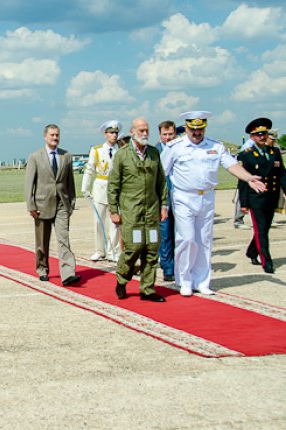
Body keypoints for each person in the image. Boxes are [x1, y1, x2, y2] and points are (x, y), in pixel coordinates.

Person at [161, 111, 266, 297]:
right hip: (184, 197)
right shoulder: (175, 147)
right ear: (186, 128)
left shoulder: (215, 146)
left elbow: (231, 165)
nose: (196, 133)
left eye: (200, 129)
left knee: (204, 240)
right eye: (193, 129)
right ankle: (184, 280)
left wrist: (249, 178)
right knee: (186, 238)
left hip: (207, 197)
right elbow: (162, 174)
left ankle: (202, 281)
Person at [108, 118, 168, 302]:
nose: (144, 134)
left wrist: (164, 205)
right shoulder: (122, 155)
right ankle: (122, 279)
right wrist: (114, 210)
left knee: (151, 250)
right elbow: (113, 185)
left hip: (151, 211)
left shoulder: (153, 153)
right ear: (132, 132)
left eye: (146, 130)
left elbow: (161, 182)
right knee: (133, 249)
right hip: (131, 212)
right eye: (141, 130)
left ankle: (147, 290)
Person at [25, 124, 81, 286]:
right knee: (42, 242)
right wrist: (31, 205)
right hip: (42, 206)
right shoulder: (35, 157)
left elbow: (70, 183)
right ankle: (42, 269)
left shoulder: (66, 156)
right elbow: (29, 184)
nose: (55, 138)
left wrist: (71, 203)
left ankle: (68, 273)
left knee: (64, 239)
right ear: (45, 137)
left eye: (57, 135)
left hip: (62, 205)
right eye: (52, 135)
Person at [238, 118, 286, 274]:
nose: (262, 137)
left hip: (271, 197)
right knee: (260, 229)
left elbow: (282, 175)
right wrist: (244, 203)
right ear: (252, 137)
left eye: (264, 134)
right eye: (258, 134)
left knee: (264, 228)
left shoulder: (275, 152)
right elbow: (243, 181)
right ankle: (267, 261)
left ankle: (252, 251)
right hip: (256, 198)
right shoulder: (246, 155)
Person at [81, 120, 122, 262]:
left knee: (115, 223)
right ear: (105, 134)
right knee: (98, 221)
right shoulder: (97, 150)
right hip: (100, 186)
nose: (114, 135)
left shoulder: (121, 150)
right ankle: (100, 250)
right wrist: (85, 187)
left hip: (115, 189)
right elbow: (89, 169)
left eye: (116, 132)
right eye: (111, 132)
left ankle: (113, 251)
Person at [156, 121, 177, 282]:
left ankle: (178, 265)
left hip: (180, 197)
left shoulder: (182, 149)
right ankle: (168, 267)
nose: (168, 138)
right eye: (165, 134)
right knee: (165, 234)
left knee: (181, 234)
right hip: (162, 199)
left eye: (171, 134)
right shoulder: (154, 152)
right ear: (160, 135)